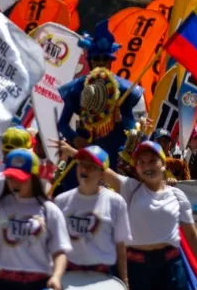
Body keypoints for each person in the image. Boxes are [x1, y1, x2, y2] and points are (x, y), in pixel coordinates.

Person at [88, 141, 197, 290]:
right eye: (142, 162)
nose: (147, 166)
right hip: (136, 270)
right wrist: (73, 151)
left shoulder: (177, 195)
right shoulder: (129, 188)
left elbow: (192, 235)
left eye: (152, 161)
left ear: (163, 164)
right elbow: (100, 168)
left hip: (171, 267)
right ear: (137, 168)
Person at [56, 19, 143, 195]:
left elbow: (132, 127)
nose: (101, 63)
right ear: (90, 61)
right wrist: (74, 139)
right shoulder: (77, 88)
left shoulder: (124, 90)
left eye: (105, 59)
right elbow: (62, 124)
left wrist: (121, 120)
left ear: (111, 61)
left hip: (113, 153)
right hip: (86, 149)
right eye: (97, 59)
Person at [0, 149, 71, 290]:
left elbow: (60, 251)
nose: (14, 183)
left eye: (21, 179)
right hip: (2, 285)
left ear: (34, 178)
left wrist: (56, 276)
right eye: (10, 178)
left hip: (37, 285)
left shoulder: (49, 210)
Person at [53, 145, 131, 279]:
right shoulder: (61, 201)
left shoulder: (116, 202)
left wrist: (125, 280)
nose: (84, 169)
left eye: (91, 166)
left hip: (103, 275)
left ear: (102, 173)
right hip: (69, 275)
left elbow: (120, 245)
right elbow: (54, 244)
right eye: (81, 164)